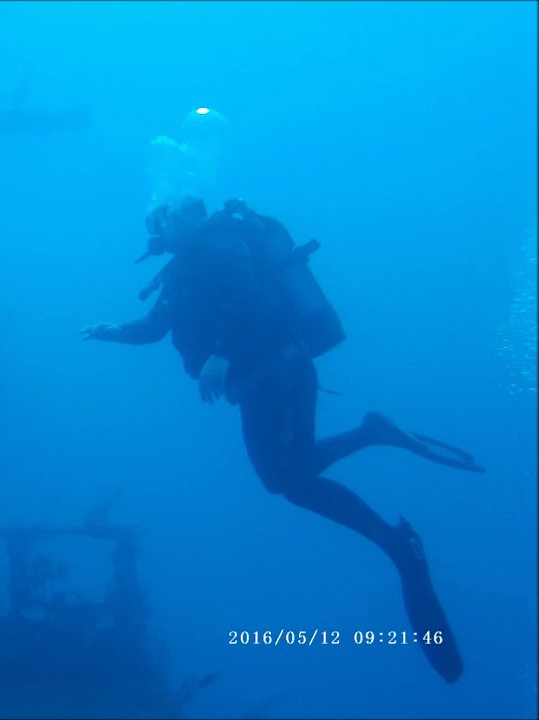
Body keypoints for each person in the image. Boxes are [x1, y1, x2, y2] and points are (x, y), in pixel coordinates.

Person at [80, 195, 484, 684]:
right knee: (285, 478)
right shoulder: (182, 270)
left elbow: (252, 300)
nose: (160, 229)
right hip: (258, 386)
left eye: (167, 218)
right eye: (157, 222)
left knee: (288, 479)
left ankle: (395, 539)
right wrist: (116, 331)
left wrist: (221, 356)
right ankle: (374, 441)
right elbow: (154, 326)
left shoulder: (223, 246)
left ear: (191, 216)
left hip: (283, 375)